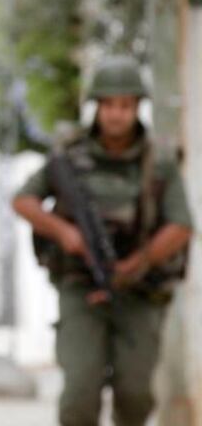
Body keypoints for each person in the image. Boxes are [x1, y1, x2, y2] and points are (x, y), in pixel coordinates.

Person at [12, 56, 194, 426]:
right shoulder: (70, 156)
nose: (116, 114)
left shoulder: (158, 161)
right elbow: (23, 200)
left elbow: (181, 225)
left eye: (125, 105)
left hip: (140, 291)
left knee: (136, 394)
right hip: (80, 287)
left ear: (137, 107)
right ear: (97, 107)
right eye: (109, 105)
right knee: (80, 391)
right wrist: (65, 233)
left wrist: (134, 266)